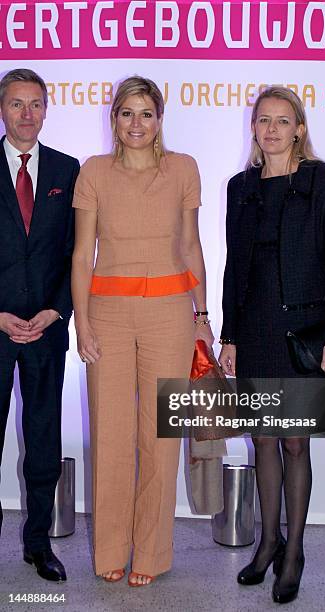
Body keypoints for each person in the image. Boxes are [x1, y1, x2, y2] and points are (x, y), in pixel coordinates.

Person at [71, 75, 213, 586]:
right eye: (127, 113)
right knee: (110, 436)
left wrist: (202, 316)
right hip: (107, 315)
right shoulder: (94, 172)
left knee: (160, 437)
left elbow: (193, 246)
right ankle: (110, 548)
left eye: (146, 113)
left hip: (170, 315)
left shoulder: (183, 169)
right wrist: (81, 322)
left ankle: (151, 554)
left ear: (159, 119)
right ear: (114, 119)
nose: (136, 123)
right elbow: (81, 255)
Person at [219, 86, 325, 603]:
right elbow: (235, 268)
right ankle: (267, 542)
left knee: (295, 442)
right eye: (263, 121)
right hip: (254, 330)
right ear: (253, 128)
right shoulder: (240, 187)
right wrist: (229, 334)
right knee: (263, 441)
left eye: (282, 121)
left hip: (305, 334)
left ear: (299, 128)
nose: (272, 129)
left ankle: (294, 550)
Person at [0, 69, 79, 581]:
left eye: (35, 105)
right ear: (2, 110)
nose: (27, 114)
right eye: (16, 104)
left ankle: (38, 544)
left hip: (48, 328)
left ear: (47, 110)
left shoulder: (68, 170)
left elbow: (77, 253)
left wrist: (56, 310)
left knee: (44, 440)